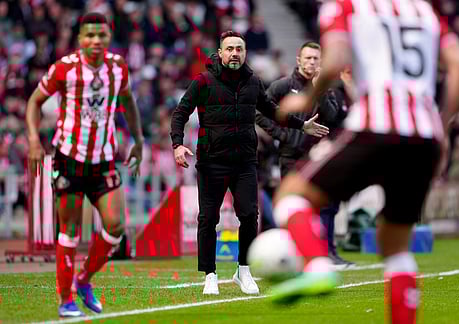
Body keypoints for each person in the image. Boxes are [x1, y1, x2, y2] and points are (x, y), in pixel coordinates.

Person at [271, 2, 459, 324]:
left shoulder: (346, 6)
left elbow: (335, 58)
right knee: (395, 246)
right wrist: (443, 127)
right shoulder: (423, 10)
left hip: (374, 127)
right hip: (424, 137)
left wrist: (307, 99)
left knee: (290, 194)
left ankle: (317, 265)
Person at [170, 31, 329, 296]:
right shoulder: (203, 81)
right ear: (220, 53)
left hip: (245, 162)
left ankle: (243, 270)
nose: (234, 53)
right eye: (229, 49)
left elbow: (271, 111)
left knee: (249, 216)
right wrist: (177, 144)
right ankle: (210, 274)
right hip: (211, 162)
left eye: (239, 49)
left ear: (245, 54)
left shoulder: (253, 82)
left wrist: (303, 125)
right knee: (208, 219)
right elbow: (180, 113)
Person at [26, 12, 144, 318]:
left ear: (108, 38)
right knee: (70, 230)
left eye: (101, 35)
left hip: (103, 161)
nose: (95, 41)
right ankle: (65, 300)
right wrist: (35, 141)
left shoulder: (118, 68)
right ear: (80, 39)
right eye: (89, 35)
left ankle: (83, 280)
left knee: (116, 226)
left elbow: (128, 100)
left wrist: (138, 138)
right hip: (69, 160)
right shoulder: (64, 69)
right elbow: (34, 102)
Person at [255, 41, 353, 266]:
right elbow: (259, 113)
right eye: (307, 58)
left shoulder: (325, 87)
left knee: (324, 206)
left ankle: (324, 252)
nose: (311, 62)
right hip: (291, 155)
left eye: (316, 59)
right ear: (298, 60)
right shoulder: (282, 86)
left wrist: (319, 92)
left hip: (318, 157)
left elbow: (332, 116)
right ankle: (293, 254)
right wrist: (283, 135)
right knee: (292, 205)